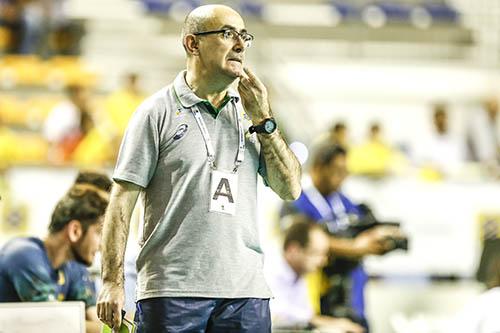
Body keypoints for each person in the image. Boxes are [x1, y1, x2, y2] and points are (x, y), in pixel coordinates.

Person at [96, 4, 301, 333]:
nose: (240, 44)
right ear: (193, 44)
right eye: (227, 34)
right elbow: (122, 200)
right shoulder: (155, 112)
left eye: (244, 36)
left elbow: (290, 188)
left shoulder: (254, 116)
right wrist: (112, 281)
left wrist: (265, 121)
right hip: (172, 293)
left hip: (245, 294)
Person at [281, 144, 401, 331]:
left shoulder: (346, 202)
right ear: (319, 167)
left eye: (345, 171)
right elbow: (299, 241)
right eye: (337, 170)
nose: (342, 177)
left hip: (354, 299)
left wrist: (380, 236)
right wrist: (355, 249)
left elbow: (365, 232)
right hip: (321, 300)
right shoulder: (297, 202)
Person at [0, 172, 111, 333]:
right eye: (99, 233)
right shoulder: (23, 255)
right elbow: (56, 324)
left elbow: (94, 318)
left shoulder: (72, 267)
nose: (102, 246)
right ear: (75, 230)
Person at [265, 215, 364, 333]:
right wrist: (331, 323)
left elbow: (305, 314)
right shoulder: (268, 268)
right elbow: (277, 316)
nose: (324, 261)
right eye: (317, 254)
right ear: (294, 249)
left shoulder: (299, 273)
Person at [43, 84, 95, 162]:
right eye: (83, 94)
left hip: (77, 157)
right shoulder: (64, 111)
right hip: (62, 156)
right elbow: (52, 137)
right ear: (76, 95)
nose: (86, 98)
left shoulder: (83, 112)